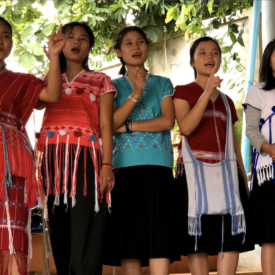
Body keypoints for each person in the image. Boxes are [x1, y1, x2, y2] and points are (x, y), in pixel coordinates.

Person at [36, 22, 116, 275]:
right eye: (70, 37)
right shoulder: (48, 79)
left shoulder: (101, 80)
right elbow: (38, 104)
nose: (76, 42)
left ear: (90, 47)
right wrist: (52, 57)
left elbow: (106, 124)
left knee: (86, 225)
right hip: (53, 158)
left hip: (86, 158)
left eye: (83, 39)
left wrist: (106, 166)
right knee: (59, 224)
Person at [173, 36, 253, 275]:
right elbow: (185, 128)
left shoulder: (227, 101)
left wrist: (243, 178)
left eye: (215, 53)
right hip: (192, 174)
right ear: (192, 62)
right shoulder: (182, 91)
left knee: (230, 239)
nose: (210, 57)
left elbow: (234, 146)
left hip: (226, 175)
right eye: (203, 53)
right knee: (197, 240)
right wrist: (207, 92)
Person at [103, 26, 179, 275]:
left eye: (140, 42)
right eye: (128, 43)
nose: (136, 47)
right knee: (130, 241)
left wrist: (129, 126)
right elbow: (109, 124)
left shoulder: (163, 83)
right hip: (123, 169)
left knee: (159, 238)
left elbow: (167, 121)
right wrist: (135, 93)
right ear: (118, 52)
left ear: (147, 47)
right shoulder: (111, 87)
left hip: (159, 167)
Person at [0, 17, 64, 275]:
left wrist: (54, 57)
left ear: (12, 43)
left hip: (10, 166)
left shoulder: (20, 80)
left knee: (11, 237)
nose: (0, 41)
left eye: (5, 35)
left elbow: (52, 95)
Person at [244, 39, 275, 275]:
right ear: (268, 59)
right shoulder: (257, 91)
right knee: (270, 236)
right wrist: (271, 149)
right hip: (269, 173)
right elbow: (251, 130)